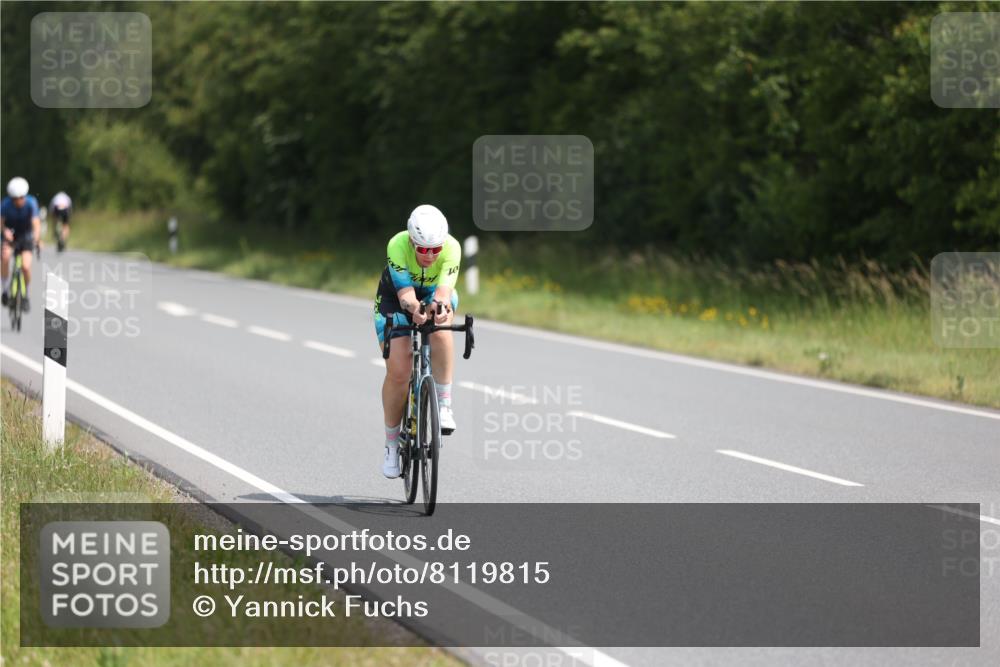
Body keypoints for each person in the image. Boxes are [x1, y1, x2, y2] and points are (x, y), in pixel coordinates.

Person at [374, 204, 462, 478]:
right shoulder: (397, 245)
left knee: (441, 325)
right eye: (423, 249)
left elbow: (445, 292)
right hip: (395, 299)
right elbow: (405, 296)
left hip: (433, 294)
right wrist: (415, 310)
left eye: (435, 249)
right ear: (412, 241)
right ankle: (391, 445)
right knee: (399, 372)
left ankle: (444, 404)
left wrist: (439, 307)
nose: (430, 255)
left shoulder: (452, 247)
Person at [1, 177, 41, 311]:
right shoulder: (5, 204)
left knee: (25, 266)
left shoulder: (31, 203)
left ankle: (26, 295)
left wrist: (36, 239)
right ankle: (6, 289)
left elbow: (36, 223)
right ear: (11, 198)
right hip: (10, 235)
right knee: (5, 257)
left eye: (21, 197)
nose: (18, 201)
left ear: (25, 196)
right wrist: (4, 231)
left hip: (26, 236)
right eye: (15, 198)